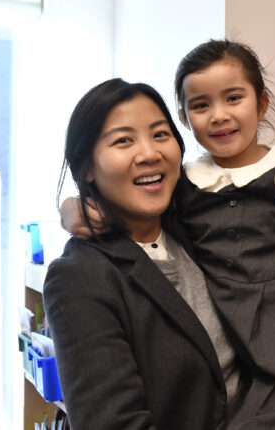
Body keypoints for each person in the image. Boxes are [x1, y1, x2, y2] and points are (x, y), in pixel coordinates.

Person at [63, 40, 275, 430]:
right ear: (186, 119)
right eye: (200, 106)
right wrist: (74, 206)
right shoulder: (186, 188)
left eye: (234, 98)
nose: (219, 116)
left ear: (262, 103)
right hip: (253, 366)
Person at [44, 79, 246, 430]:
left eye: (160, 134)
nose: (150, 153)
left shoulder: (194, 221)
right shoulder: (80, 277)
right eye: (123, 140)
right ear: (87, 167)